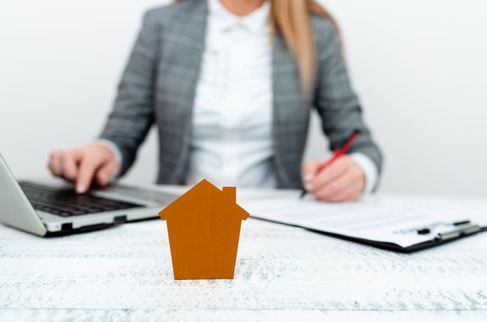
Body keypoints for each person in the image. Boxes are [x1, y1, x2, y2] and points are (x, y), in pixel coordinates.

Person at [47, 0, 383, 202]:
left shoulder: (315, 32)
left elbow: (360, 144)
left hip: (278, 222)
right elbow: (124, 129)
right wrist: (104, 152)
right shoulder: (161, 25)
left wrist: (358, 172)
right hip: (179, 219)